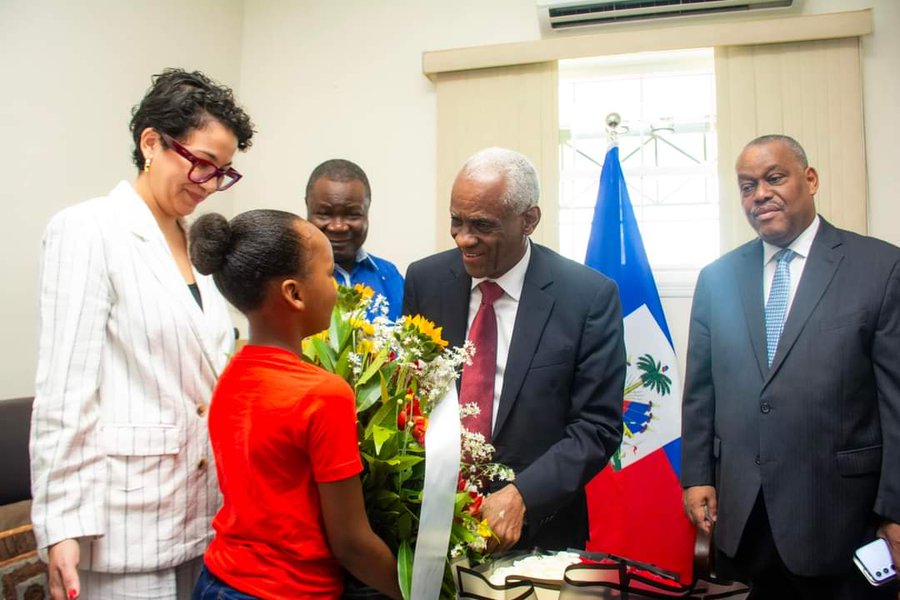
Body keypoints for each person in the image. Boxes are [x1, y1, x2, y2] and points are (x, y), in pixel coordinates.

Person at [29, 68, 254, 600]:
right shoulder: (90, 230)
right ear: (150, 142)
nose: (207, 183)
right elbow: (65, 389)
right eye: (200, 162)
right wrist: (61, 526)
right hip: (117, 522)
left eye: (222, 172)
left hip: (201, 514)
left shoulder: (200, 247)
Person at [681, 134, 900, 599]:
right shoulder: (717, 278)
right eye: (746, 186)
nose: (759, 194)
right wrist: (697, 475)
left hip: (843, 516)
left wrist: (896, 509)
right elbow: (701, 390)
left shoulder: (880, 267)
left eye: (774, 178)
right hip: (745, 514)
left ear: (811, 179)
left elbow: (896, 402)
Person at [402, 147, 626, 552]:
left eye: (482, 225)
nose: (463, 238)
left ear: (529, 220)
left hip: (541, 532)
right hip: (430, 525)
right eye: (456, 221)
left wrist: (524, 495)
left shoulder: (587, 297)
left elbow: (596, 426)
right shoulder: (424, 280)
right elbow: (410, 397)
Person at [188, 210, 402, 600]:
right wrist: (417, 589)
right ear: (294, 293)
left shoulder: (230, 377)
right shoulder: (323, 395)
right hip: (287, 590)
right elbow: (351, 543)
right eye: (328, 274)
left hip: (218, 581)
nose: (337, 287)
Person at [305, 159, 404, 320]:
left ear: (367, 210)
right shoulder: (289, 279)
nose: (338, 226)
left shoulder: (389, 276)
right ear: (308, 208)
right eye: (325, 213)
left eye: (352, 214)